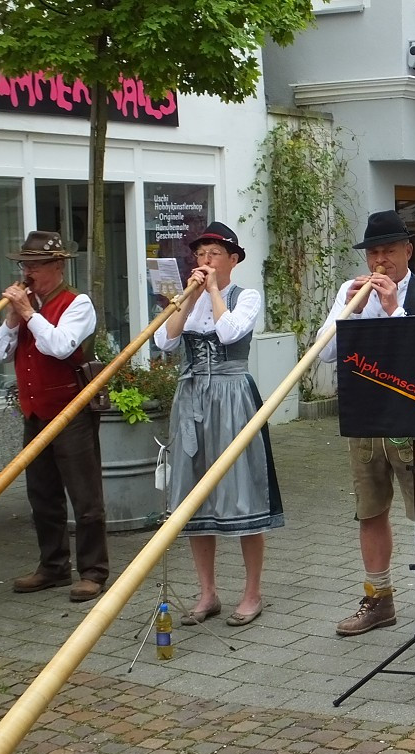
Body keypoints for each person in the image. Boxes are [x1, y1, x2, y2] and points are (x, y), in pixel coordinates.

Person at [317, 210, 415, 647]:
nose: (379, 260)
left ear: (407, 250)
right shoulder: (350, 294)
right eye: (373, 252)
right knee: (369, 510)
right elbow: (325, 356)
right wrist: (352, 311)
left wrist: (392, 309)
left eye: (388, 250)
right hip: (366, 416)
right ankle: (379, 598)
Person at [153, 222, 284, 627]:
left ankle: (251, 592)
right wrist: (187, 301)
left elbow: (229, 333)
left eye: (213, 254)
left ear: (233, 259)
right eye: (200, 254)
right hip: (192, 397)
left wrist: (211, 292)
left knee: (242, 488)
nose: (204, 261)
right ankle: (207, 592)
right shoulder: (186, 300)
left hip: (231, 396)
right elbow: (164, 341)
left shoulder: (246, 297)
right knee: (194, 494)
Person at [0, 231, 108, 602]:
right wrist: (12, 319)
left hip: (70, 411)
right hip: (36, 411)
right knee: (42, 494)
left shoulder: (78, 303)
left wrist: (28, 312)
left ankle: (93, 571)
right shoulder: (28, 307)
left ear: (57, 266)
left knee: (84, 496)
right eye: (24, 265)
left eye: (35, 265)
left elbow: (59, 346)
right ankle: (53, 566)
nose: (28, 272)